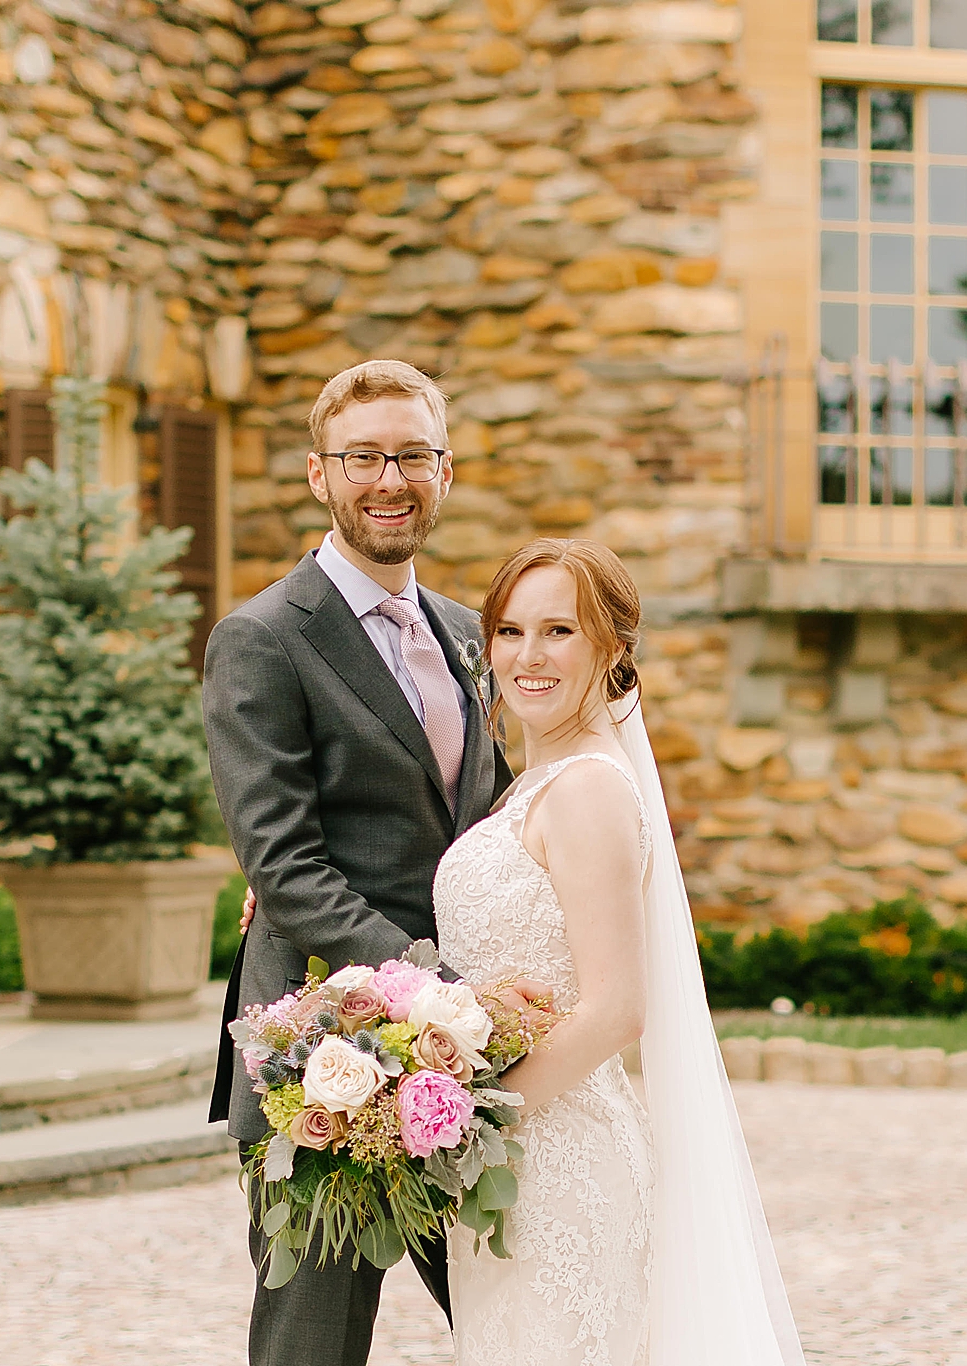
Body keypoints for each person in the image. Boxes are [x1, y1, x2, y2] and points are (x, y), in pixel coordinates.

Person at [201, 359, 547, 1366]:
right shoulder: (262, 638)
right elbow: (285, 863)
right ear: (320, 474)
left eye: (411, 455)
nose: (388, 480)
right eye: (363, 458)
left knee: (514, 1311)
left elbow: (482, 828)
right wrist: (437, 990)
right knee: (311, 1340)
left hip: (459, 1051)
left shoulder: (460, 630)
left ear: (445, 470)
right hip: (321, 1050)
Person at [430, 537, 807, 1366]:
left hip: (561, 1166)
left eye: (560, 630)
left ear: (613, 650)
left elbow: (615, 1010)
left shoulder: (591, 788)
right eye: (510, 630)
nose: (529, 655)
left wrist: (467, 1125)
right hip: (513, 1166)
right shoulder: (539, 781)